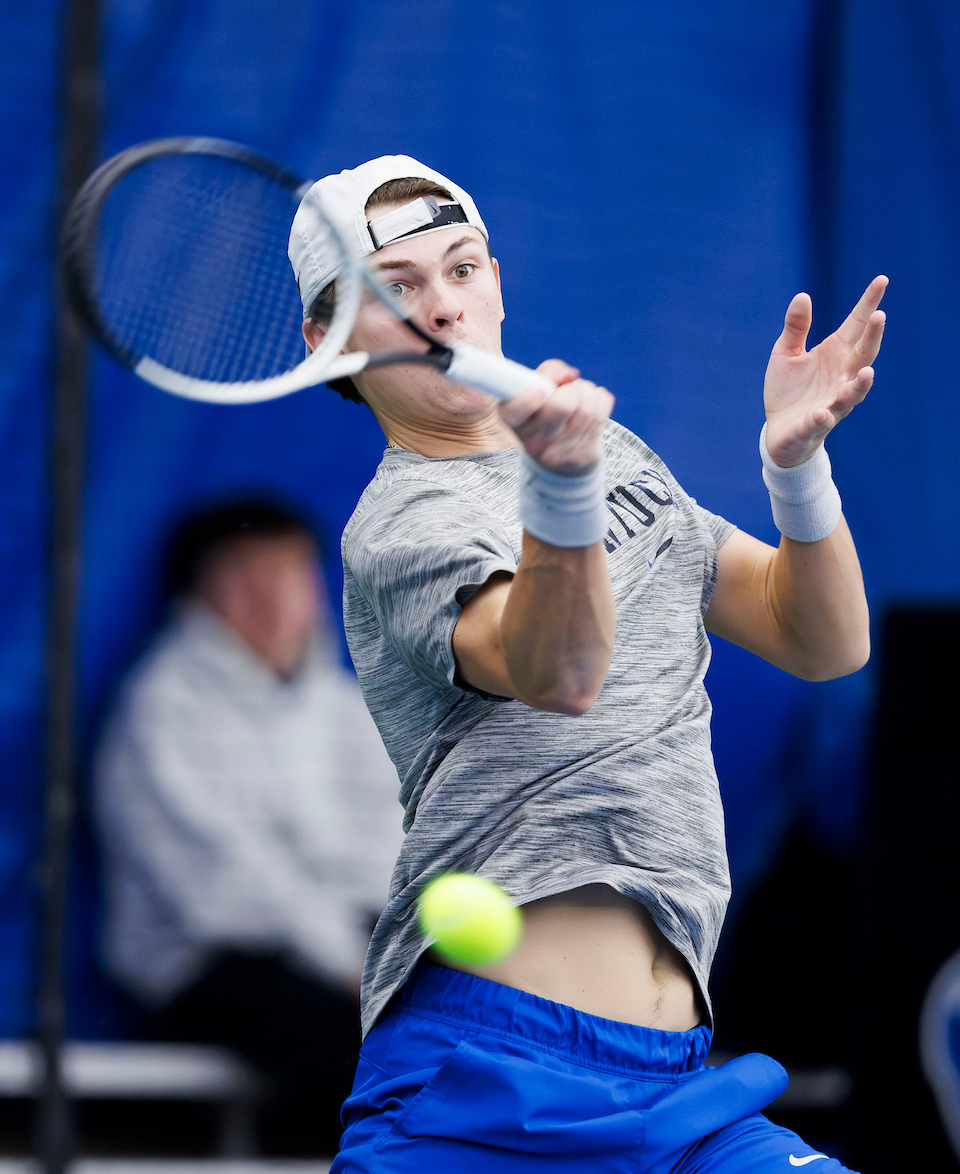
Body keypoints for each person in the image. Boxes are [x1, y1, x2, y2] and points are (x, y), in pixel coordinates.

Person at [287, 156, 884, 1172]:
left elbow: (820, 639)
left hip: (681, 1089)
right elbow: (559, 671)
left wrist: (795, 468)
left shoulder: (617, 456)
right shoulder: (401, 526)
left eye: (462, 269)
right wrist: (559, 495)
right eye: (399, 287)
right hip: (483, 1087)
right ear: (329, 338)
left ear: (497, 285)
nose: (444, 307)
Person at [95, 500, 404, 1156]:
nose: (273, 598)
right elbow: (225, 893)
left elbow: (394, 843)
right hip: (212, 972)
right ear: (197, 597)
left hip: (354, 955)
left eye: (289, 573)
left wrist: (389, 949)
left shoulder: (345, 706)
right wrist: (349, 962)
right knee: (371, 1058)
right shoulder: (163, 709)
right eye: (244, 577)